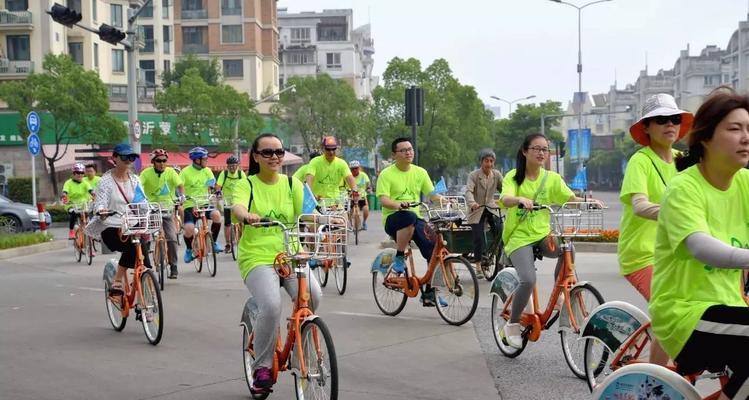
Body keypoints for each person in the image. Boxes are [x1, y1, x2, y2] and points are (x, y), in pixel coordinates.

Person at [650, 90, 749, 400]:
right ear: (706, 137)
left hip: (728, 307)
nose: (746, 137)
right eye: (735, 129)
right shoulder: (685, 187)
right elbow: (700, 246)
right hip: (685, 314)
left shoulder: (745, 183)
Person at [231, 133, 322, 393]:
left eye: (279, 152)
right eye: (268, 152)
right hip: (258, 257)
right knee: (271, 305)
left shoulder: (293, 184)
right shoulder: (246, 184)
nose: (274, 157)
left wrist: (326, 220)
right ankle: (261, 366)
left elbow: (308, 213)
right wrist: (246, 215)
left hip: (291, 254)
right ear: (256, 156)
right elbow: (236, 207)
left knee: (313, 296)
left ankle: (298, 352)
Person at [498, 133, 598, 349]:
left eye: (545, 149)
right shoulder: (514, 177)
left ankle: (561, 292)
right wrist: (519, 199)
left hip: (543, 234)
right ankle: (513, 324)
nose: (542, 152)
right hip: (519, 236)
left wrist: (587, 203)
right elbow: (504, 198)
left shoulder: (552, 179)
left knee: (567, 247)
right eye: (537, 148)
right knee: (528, 279)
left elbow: (569, 198)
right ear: (525, 151)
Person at [618, 93, 693, 365]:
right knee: (669, 309)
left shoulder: (683, 159)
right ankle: (655, 380)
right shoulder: (641, 161)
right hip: (642, 255)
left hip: (679, 252)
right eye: (661, 120)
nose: (670, 124)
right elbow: (639, 206)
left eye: (674, 119)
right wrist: (677, 214)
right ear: (646, 127)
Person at [376, 137, 445, 307]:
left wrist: (443, 200)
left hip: (415, 219)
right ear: (394, 155)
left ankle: (430, 293)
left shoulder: (420, 172)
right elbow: (383, 200)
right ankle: (399, 257)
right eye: (404, 150)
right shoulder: (386, 174)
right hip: (393, 218)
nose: (408, 152)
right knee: (409, 216)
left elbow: (432, 194)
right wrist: (398, 205)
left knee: (435, 247)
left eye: (410, 149)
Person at [85, 144, 143, 297]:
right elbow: (100, 201)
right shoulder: (105, 181)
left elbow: (142, 200)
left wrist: (151, 209)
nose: (128, 161)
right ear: (115, 158)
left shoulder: (135, 180)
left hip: (131, 225)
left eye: (131, 157)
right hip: (111, 227)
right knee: (132, 247)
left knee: (144, 259)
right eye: (125, 157)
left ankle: (144, 293)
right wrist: (101, 210)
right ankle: (117, 281)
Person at [139, 149, 185, 279]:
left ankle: (173, 265)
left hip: (167, 209)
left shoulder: (170, 172)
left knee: (172, 238)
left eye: (164, 160)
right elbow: (138, 186)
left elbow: (180, 185)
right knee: (144, 237)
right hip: (151, 209)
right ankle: (146, 262)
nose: (162, 163)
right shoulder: (146, 173)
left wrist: (182, 196)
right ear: (153, 162)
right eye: (159, 161)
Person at [180, 146, 223, 263]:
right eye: (204, 159)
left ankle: (213, 242)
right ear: (197, 160)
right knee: (189, 229)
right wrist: (181, 195)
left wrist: (217, 191)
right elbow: (180, 186)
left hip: (205, 203)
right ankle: (189, 250)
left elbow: (212, 184)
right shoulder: (185, 172)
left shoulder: (208, 171)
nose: (206, 161)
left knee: (217, 216)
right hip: (190, 205)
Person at [465, 149, 503, 275]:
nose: (489, 164)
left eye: (491, 161)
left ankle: (497, 257)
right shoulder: (474, 175)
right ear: (481, 162)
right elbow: (468, 191)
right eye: (486, 161)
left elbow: (505, 189)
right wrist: (472, 203)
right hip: (476, 209)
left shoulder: (496, 175)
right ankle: (478, 265)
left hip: (491, 208)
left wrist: (511, 199)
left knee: (501, 229)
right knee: (478, 237)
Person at [306, 136, 356, 201]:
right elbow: (309, 179)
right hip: (318, 201)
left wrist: (355, 191)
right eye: (328, 149)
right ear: (323, 149)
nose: (331, 152)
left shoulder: (342, 163)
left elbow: (350, 178)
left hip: (336, 202)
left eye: (333, 149)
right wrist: (311, 194)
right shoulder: (315, 162)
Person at [215, 155, 248, 253]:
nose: (232, 168)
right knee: (228, 223)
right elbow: (218, 185)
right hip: (227, 201)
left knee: (242, 221)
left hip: (238, 200)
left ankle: (242, 241)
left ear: (237, 165)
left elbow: (246, 185)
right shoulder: (224, 174)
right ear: (227, 166)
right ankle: (228, 243)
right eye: (230, 166)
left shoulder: (240, 173)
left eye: (234, 166)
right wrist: (218, 192)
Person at [62, 163, 94, 240]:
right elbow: (65, 191)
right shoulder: (68, 183)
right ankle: (71, 231)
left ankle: (86, 232)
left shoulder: (85, 182)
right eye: (78, 173)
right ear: (74, 173)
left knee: (87, 216)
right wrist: (64, 195)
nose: (80, 175)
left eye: (82, 173)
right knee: (73, 214)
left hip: (83, 204)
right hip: (71, 204)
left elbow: (90, 190)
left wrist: (94, 194)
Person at [348, 160, 371, 230]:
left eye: (356, 168)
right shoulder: (349, 176)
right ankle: (351, 224)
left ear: (359, 168)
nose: (354, 170)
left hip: (362, 196)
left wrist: (369, 188)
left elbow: (368, 184)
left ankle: (364, 222)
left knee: (366, 209)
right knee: (350, 211)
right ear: (350, 169)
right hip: (351, 196)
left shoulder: (363, 175)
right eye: (353, 169)